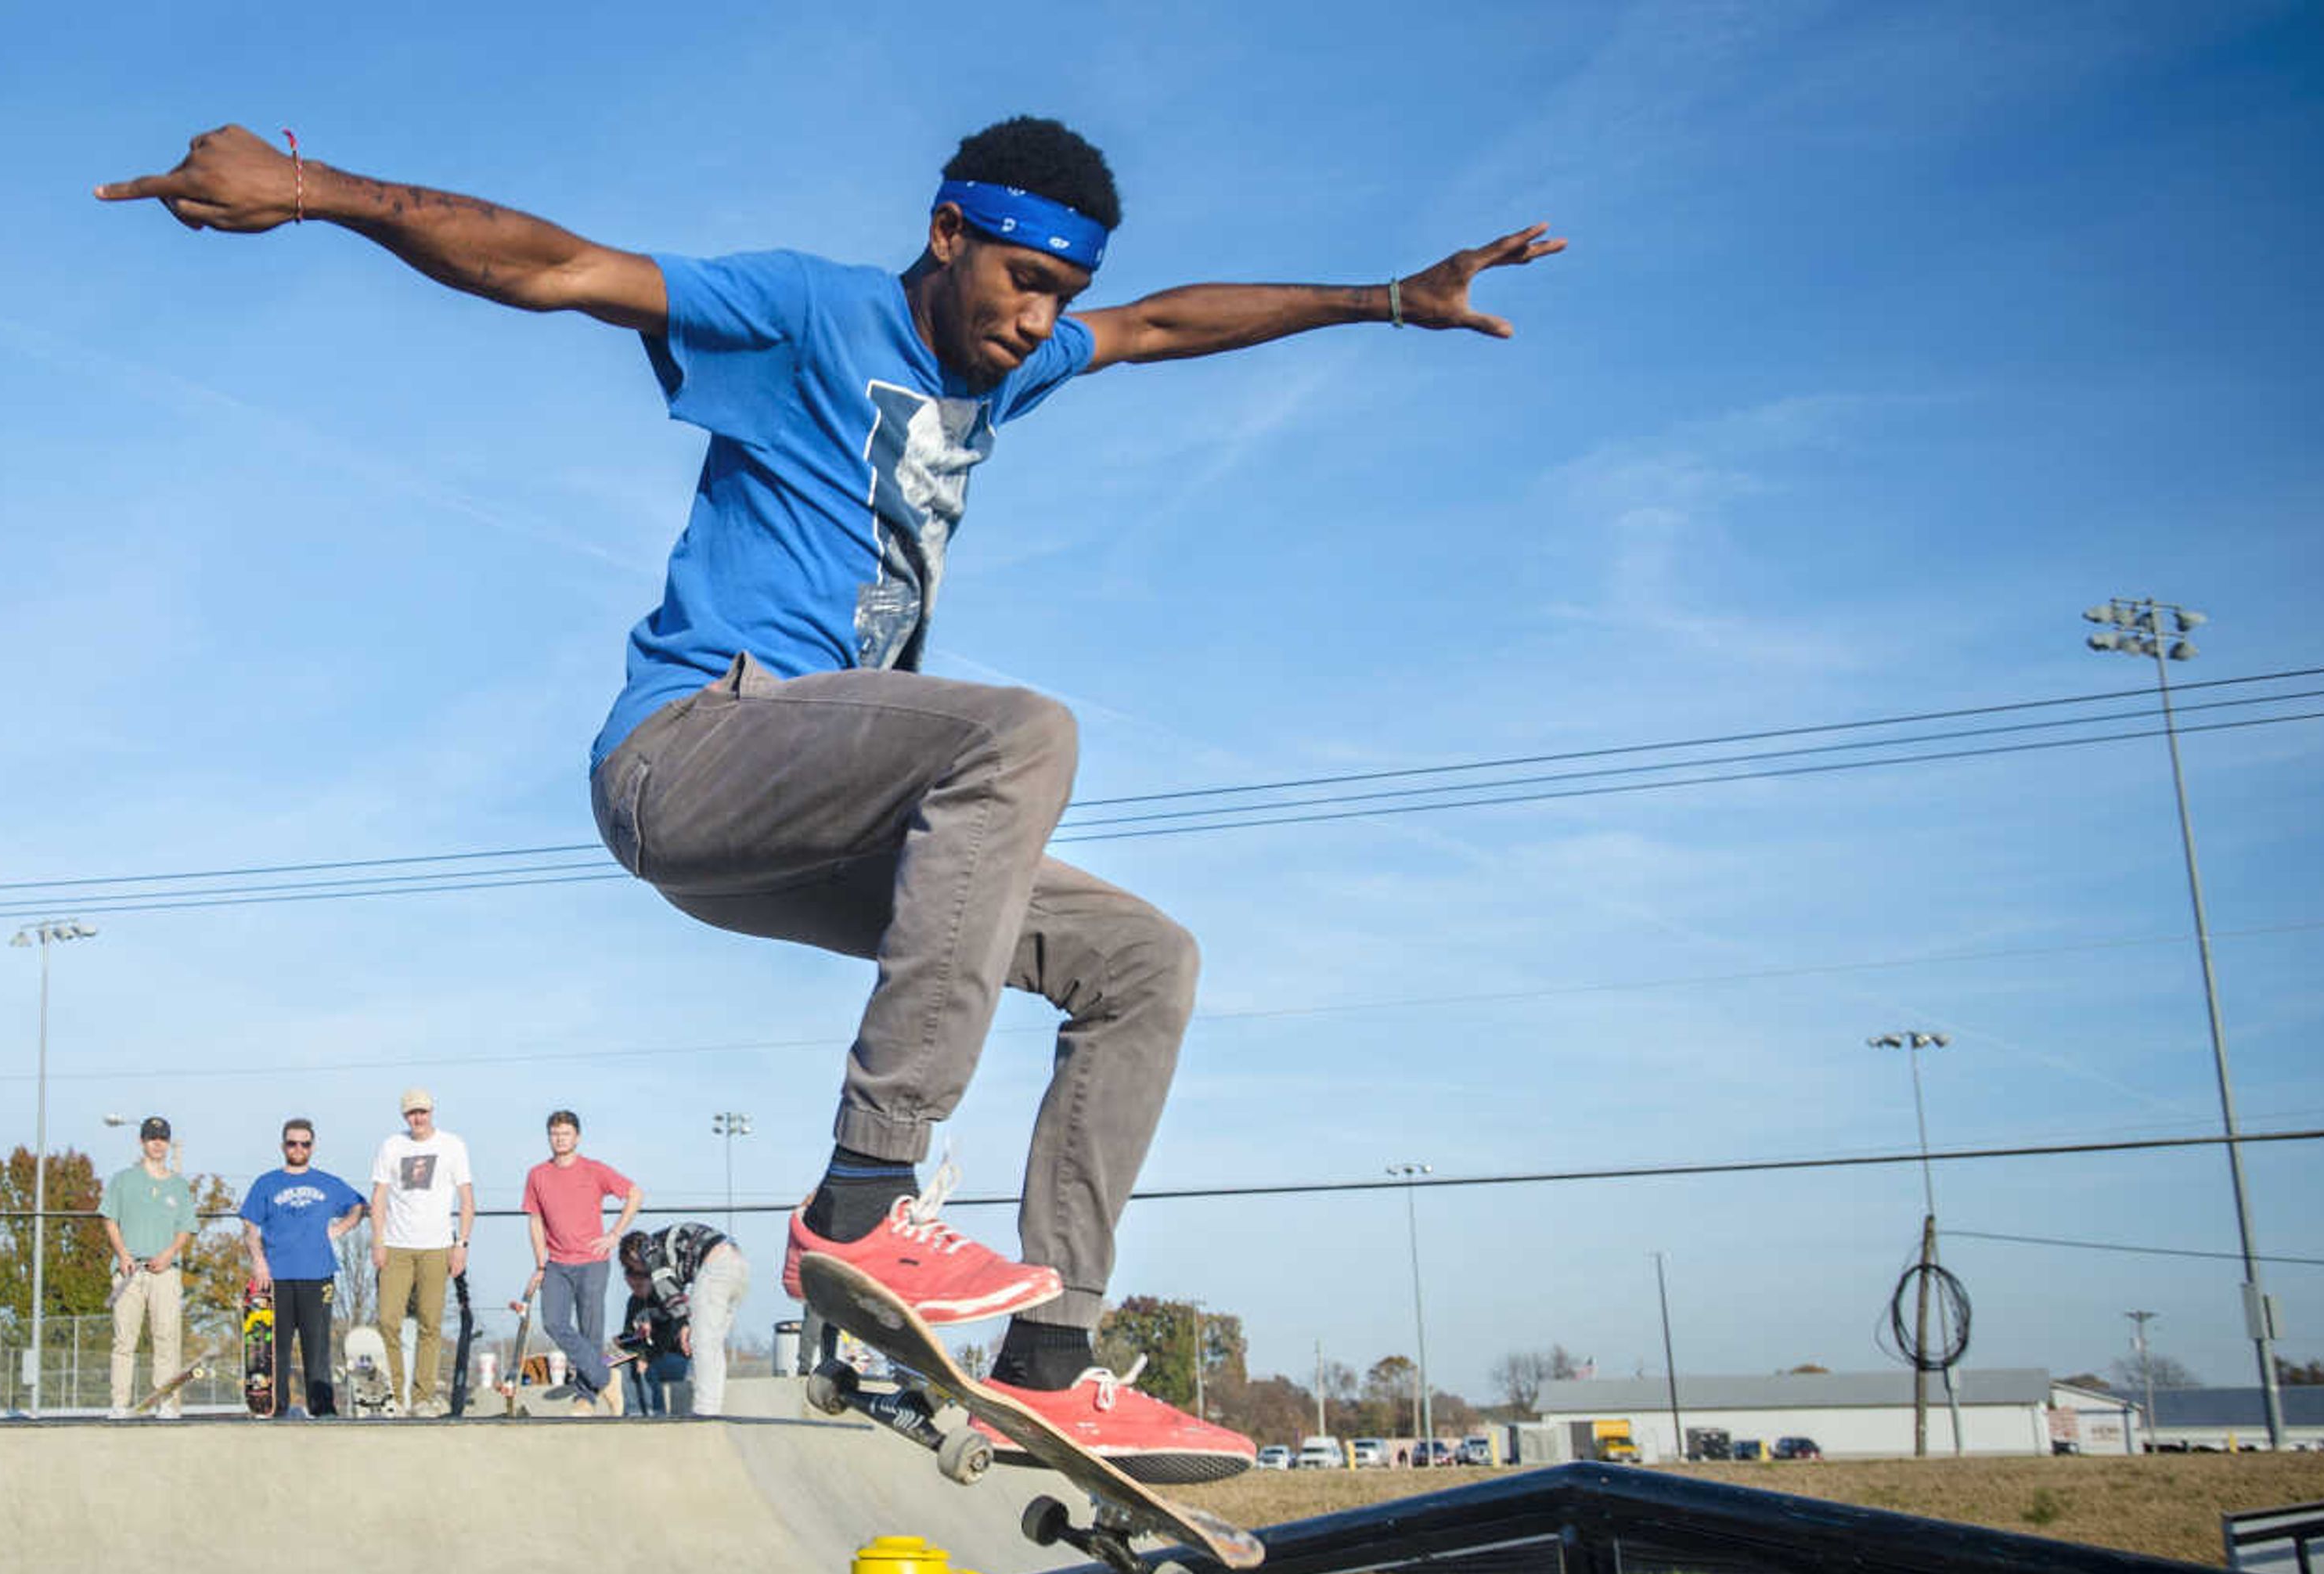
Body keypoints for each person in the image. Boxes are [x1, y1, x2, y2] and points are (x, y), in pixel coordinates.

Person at [100, 117, 1559, 1478]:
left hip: (822, 831)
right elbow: (553, 269)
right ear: (946, 234)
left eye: (1061, 296)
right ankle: (863, 1198)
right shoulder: (806, 311)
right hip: (692, 748)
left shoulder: (1020, 365)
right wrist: (316, 192)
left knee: (1142, 963)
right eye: (1020, 282)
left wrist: (1384, 299)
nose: (1036, 321)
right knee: (1023, 734)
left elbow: (1171, 323)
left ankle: (1052, 1353)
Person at [239, 1118, 368, 1417]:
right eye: (292, 1143)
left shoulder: (327, 1182)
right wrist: (258, 1261)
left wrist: (339, 1230)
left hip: (317, 1274)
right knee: (277, 1349)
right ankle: (276, 1408)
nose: (298, 1148)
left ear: (312, 1146)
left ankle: (323, 1409)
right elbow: (249, 1225)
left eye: (304, 1143)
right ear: (283, 1146)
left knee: (317, 1346)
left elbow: (359, 1206)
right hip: (277, 1277)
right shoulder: (266, 1183)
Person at [520, 1111, 640, 1407]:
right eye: (555, 1133)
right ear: (549, 1137)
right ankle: (606, 1378)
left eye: (566, 1133)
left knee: (591, 1332)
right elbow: (535, 1220)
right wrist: (539, 1263)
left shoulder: (594, 1170)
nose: (560, 1139)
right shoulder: (538, 1174)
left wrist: (614, 1234)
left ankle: (586, 1396)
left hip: (592, 1262)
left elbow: (635, 1194)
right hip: (557, 1264)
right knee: (553, 1322)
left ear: (577, 1137)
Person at [368, 1087, 474, 1413]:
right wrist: (378, 1240)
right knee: (388, 1320)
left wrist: (461, 1246)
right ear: (404, 1116)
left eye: (423, 1112)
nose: (418, 1118)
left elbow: (467, 1200)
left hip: (436, 1246)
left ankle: (422, 1396)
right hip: (397, 1246)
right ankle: (395, 1396)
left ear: (431, 1112)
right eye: (412, 1113)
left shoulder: (452, 1145)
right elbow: (379, 1198)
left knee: (431, 1322)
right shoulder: (392, 1146)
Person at [101, 1116, 198, 1418]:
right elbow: (109, 1219)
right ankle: (119, 1403)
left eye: (162, 1138)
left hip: (165, 1272)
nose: (157, 1143)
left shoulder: (179, 1186)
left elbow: (186, 1228)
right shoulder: (123, 1180)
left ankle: (165, 1402)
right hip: (130, 1271)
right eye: (152, 1138)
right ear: (142, 1142)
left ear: (168, 1144)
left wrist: (169, 1254)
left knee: (167, 1338)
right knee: (124, 1340)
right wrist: (124, 1254)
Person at [618, 1223, 747, 1418]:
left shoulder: (649, 1249)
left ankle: (705, 1410)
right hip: (737, 1263)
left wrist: (682, 1324)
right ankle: (712, 1407)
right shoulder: (662, 1253)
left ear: (632, 1256)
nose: (638, 1274)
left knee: (702, 1343)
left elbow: (668, 1291)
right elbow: (673, 1290)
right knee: (712, 1343)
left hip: (716, 1264)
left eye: (634, 1269)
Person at [613, 1249, 692, 1418]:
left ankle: (657, 1412)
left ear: (649, 1280)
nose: (636, 1291)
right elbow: (631, 1333)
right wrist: (623, 1340)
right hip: (649, 1356)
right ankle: (633, 1411)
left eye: (639, 1286)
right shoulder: (634, 1302)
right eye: (631, 1287)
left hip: (676, 1359)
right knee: (625, 1362)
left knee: (649, 1365)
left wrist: (645, 1356)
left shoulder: (665, 1296)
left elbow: (667, 1338)